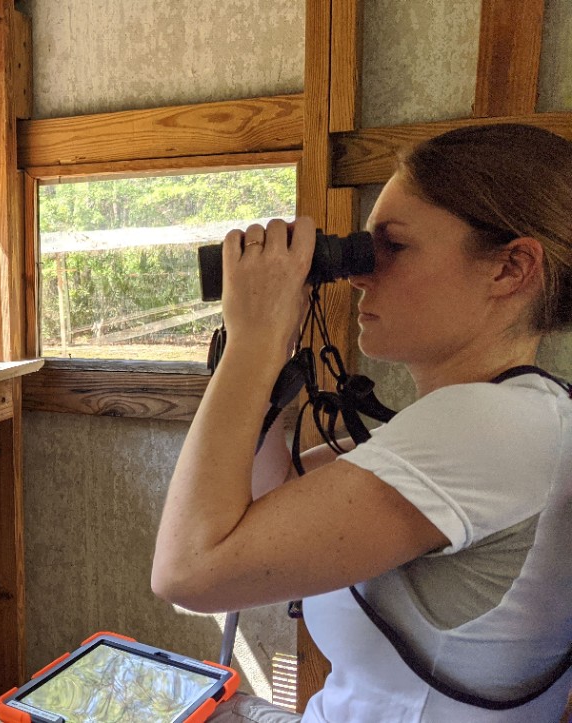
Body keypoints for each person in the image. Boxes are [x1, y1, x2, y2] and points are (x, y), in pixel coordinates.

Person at [151, 123, 572, 722]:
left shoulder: (491, 426)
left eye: (392, 247)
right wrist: (265, 366)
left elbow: (188, 575)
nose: (357, 274)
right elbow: (266, 512)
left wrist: (251, 342)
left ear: (510, 269)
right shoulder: (517, 413)